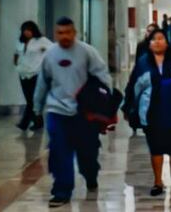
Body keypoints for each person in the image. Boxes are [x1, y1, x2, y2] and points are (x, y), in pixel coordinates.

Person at [34, 17, 113, 207]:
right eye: (60, 33)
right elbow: (42, 82)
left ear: (74, 33)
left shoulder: (87, 52)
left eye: (68, 32)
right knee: (60, 151)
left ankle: (90, 174)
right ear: (55, 34)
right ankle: (62, 191)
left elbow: (103, 76)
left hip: (83, 113)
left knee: (87, 153)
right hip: (57, 110)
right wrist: (37, 107)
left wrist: (105, 103)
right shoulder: (50, 55)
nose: (65, 36)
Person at [128, 29, 171, 196]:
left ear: (167, 42)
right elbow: (134, 86)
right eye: (154, 39)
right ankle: (158, 181)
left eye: (161, 38)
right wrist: (129, 107)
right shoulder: (143, 63)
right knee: (155, 146)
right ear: (149, 44)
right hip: (151, 109)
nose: (157, 42)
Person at [15, 21, 53, 131]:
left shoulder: (42, 41)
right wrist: (17, 63)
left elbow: (53, 49)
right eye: (24, 30)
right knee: (30, 100)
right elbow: (17, 53)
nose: (26, 32)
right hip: (23, 73)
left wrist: (43, 52)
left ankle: (26, 123)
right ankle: (37, 122)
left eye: (28, 30)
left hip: (35, 73)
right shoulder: (21, 42)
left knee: (33, 100)